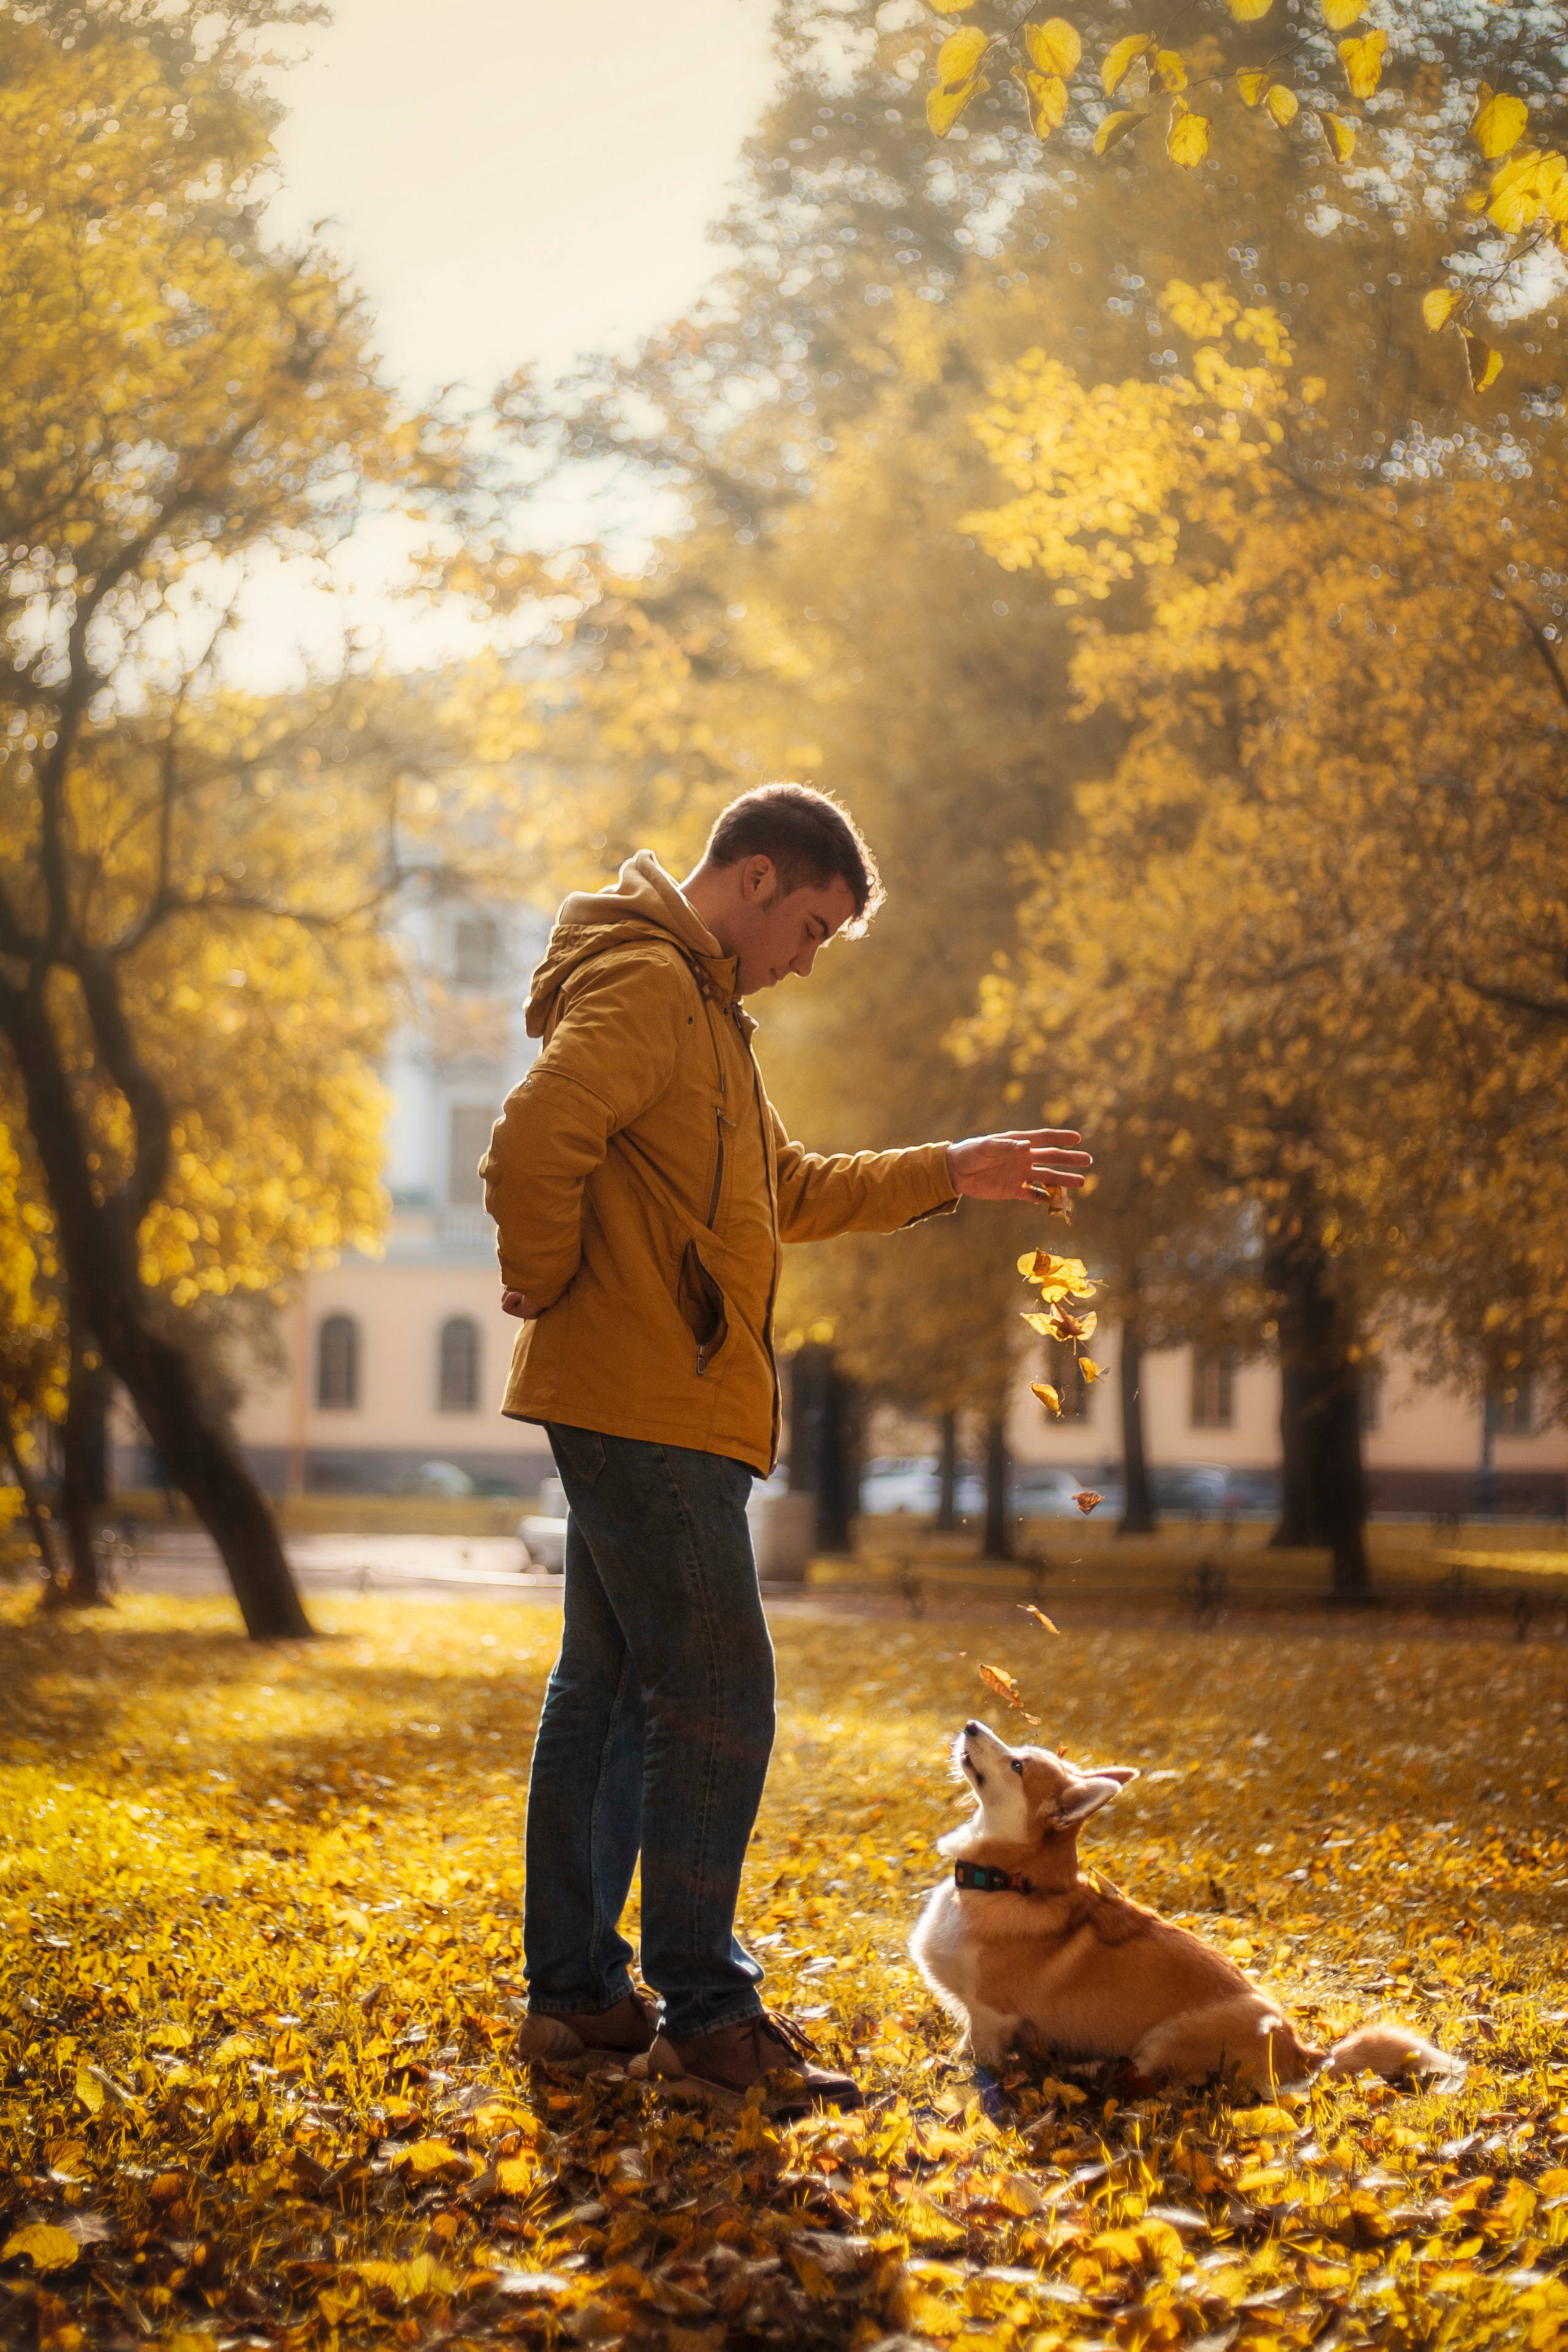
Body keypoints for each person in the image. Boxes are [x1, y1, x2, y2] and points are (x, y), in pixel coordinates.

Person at [481, 784, 1089, 2109]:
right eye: (809, 926)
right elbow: (535, 1135)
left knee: (611, 1692)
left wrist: (952, 1168)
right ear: (752, 879)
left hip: (657, 1397)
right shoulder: (649, 988)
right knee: (716, 1695)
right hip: (644, 1397)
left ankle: (577, 1999)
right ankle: (704, 2015)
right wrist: (540, 1279)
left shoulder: (705, 1019)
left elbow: (788, 1191)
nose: (807, 961)